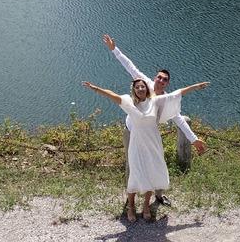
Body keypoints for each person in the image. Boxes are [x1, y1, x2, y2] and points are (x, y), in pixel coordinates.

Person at [83, 78, 209, 222]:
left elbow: (176, 94)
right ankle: (131, 206)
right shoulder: (128, 102)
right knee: (135, 174)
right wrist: (95, 88)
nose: (141, 89)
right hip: (137, 144)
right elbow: (112, 95)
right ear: (134, 90)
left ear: (147, 89)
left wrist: (196, 86)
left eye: (143, 87)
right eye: (137, 87)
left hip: (153, 143)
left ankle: (146, 206)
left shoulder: (154, 101)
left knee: (151, 173)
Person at [102, 34, 206, 206]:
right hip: (132, 130)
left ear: (167, 83)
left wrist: (194, 140)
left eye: (165, 80)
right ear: (155, 78)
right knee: (133, 162)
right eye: (159, 77)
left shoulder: (166, 99)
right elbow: (129, 66)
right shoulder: (145, 85)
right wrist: (114, 49)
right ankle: (132, 197)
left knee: (156, 162)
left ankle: (158, 195)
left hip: (151, 133)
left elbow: (179, 120)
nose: (161, 80)